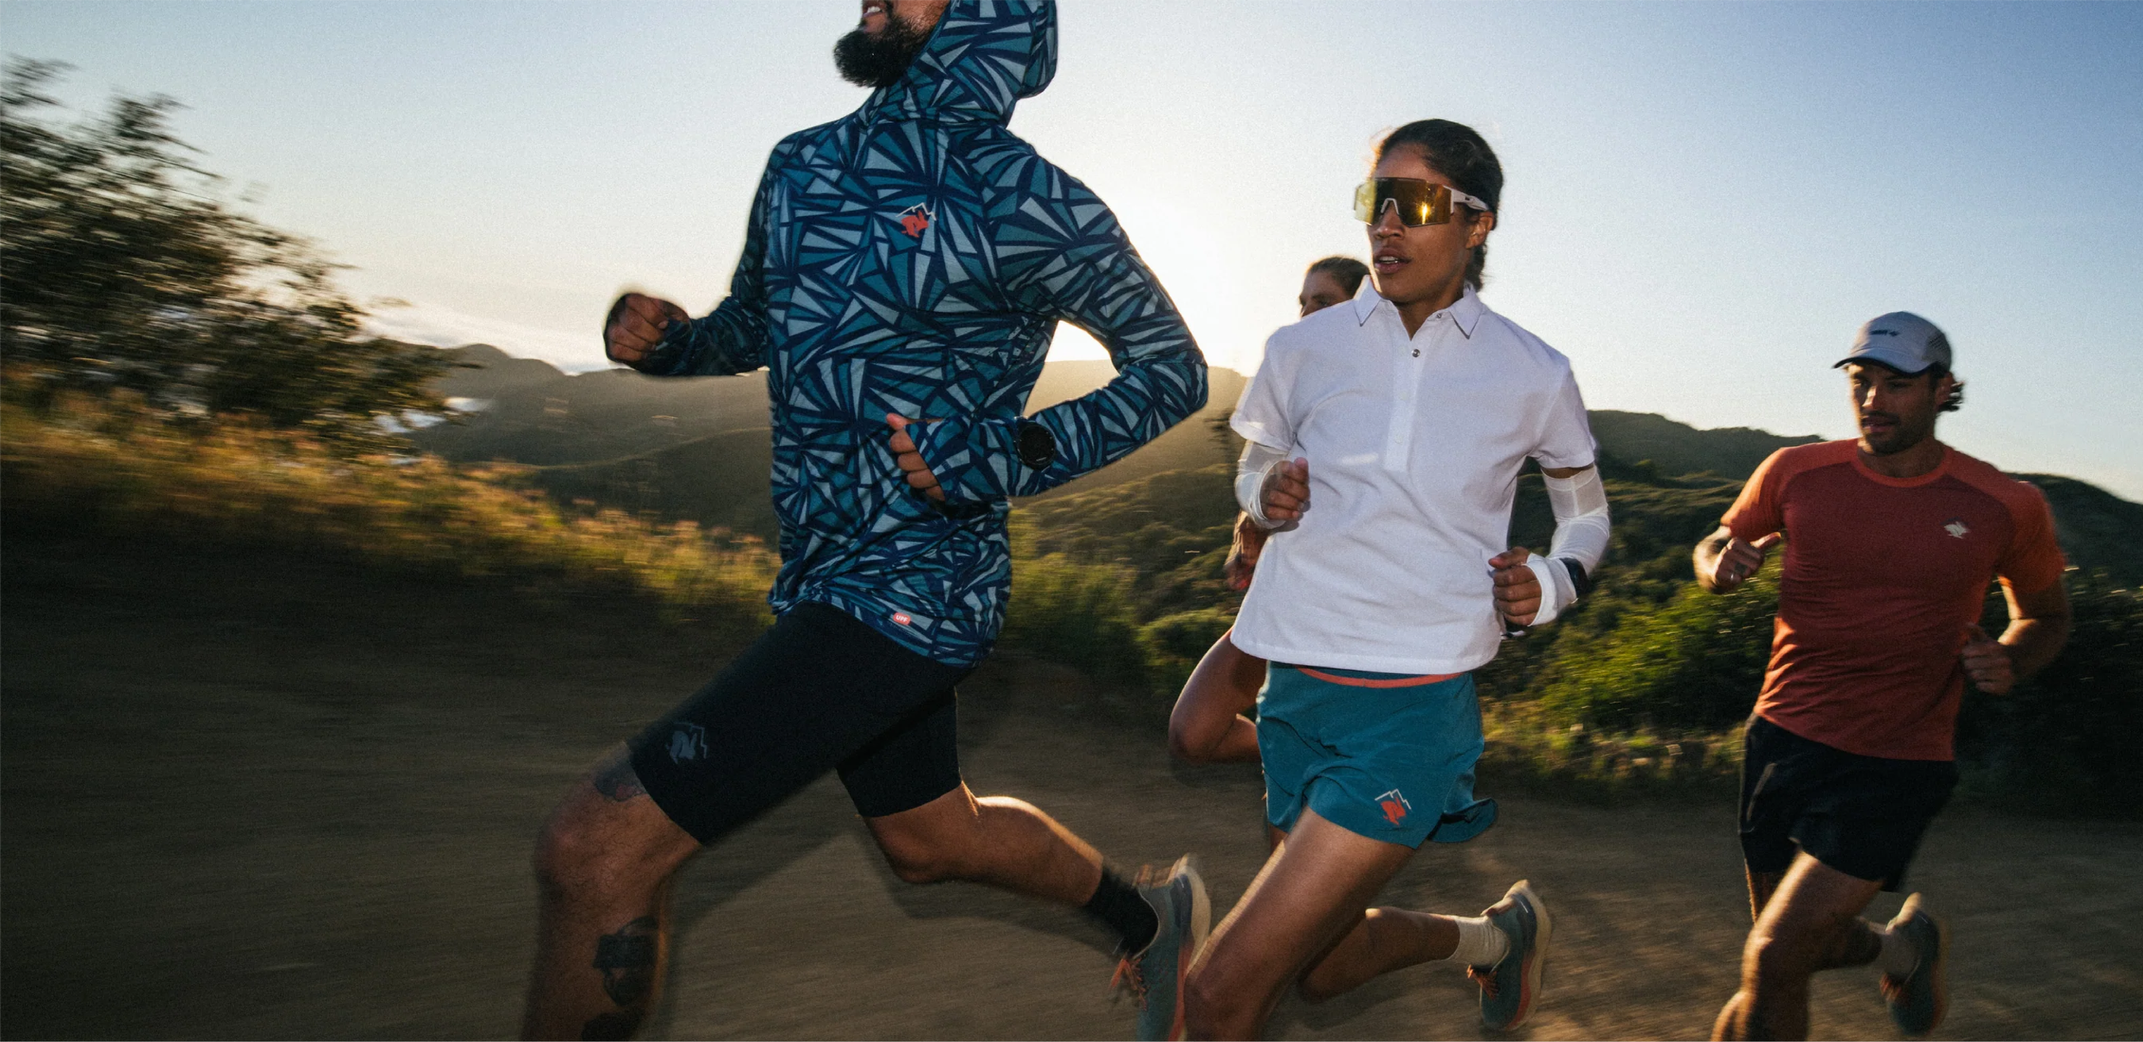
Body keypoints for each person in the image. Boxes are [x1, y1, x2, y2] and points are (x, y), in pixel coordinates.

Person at [521, 2, 1212, 1039]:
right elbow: (759, 323)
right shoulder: (802, 162)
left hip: (919, 591)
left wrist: (997, 453)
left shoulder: (1033, 200)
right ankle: (1150, 915)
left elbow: (1172, 370)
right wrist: (672, 346)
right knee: (931, 840)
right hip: (818, 569)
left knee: (595, 847)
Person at [1180, 120, 1612, 1040]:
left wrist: (1555, 580)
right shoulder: (1303, 347)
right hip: (1294, 692)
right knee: (1321, 967)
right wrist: (1265, 495)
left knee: (1218, 993)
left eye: (1412, 203)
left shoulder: (1534, 372)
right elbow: (1254, 460)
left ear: (1477, 223)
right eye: (1375, 202)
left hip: (1410, 711)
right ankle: (1496, 939)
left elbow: (1585, 514)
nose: (1385, 224)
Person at [1692, 312, 2073, 1041]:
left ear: (1943, 390)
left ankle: (1899, 949)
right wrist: (1719, 567)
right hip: (1782, 737)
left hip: (1898, 758)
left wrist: (2011, 658)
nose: (1872, 400)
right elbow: (1717, 543)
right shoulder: (1795, 471)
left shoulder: (2004, 504)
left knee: (1773, 954)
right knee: (1782, 954)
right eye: (1861, 382)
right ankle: (1903, 949)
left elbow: (2046, 616)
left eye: (1896, 385)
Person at [1168, 255, 1369, 767]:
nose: (1307, 316)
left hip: (1351, 615)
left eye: (1323, 302)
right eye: (1303, 304)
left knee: (1317, 769)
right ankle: (1305, 758)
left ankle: (1324, 769)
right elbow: (1260, 474)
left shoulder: (1382, 398)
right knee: (1193, 734)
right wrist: (1252, 525)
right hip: (1282, 598)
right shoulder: (1293, 382)